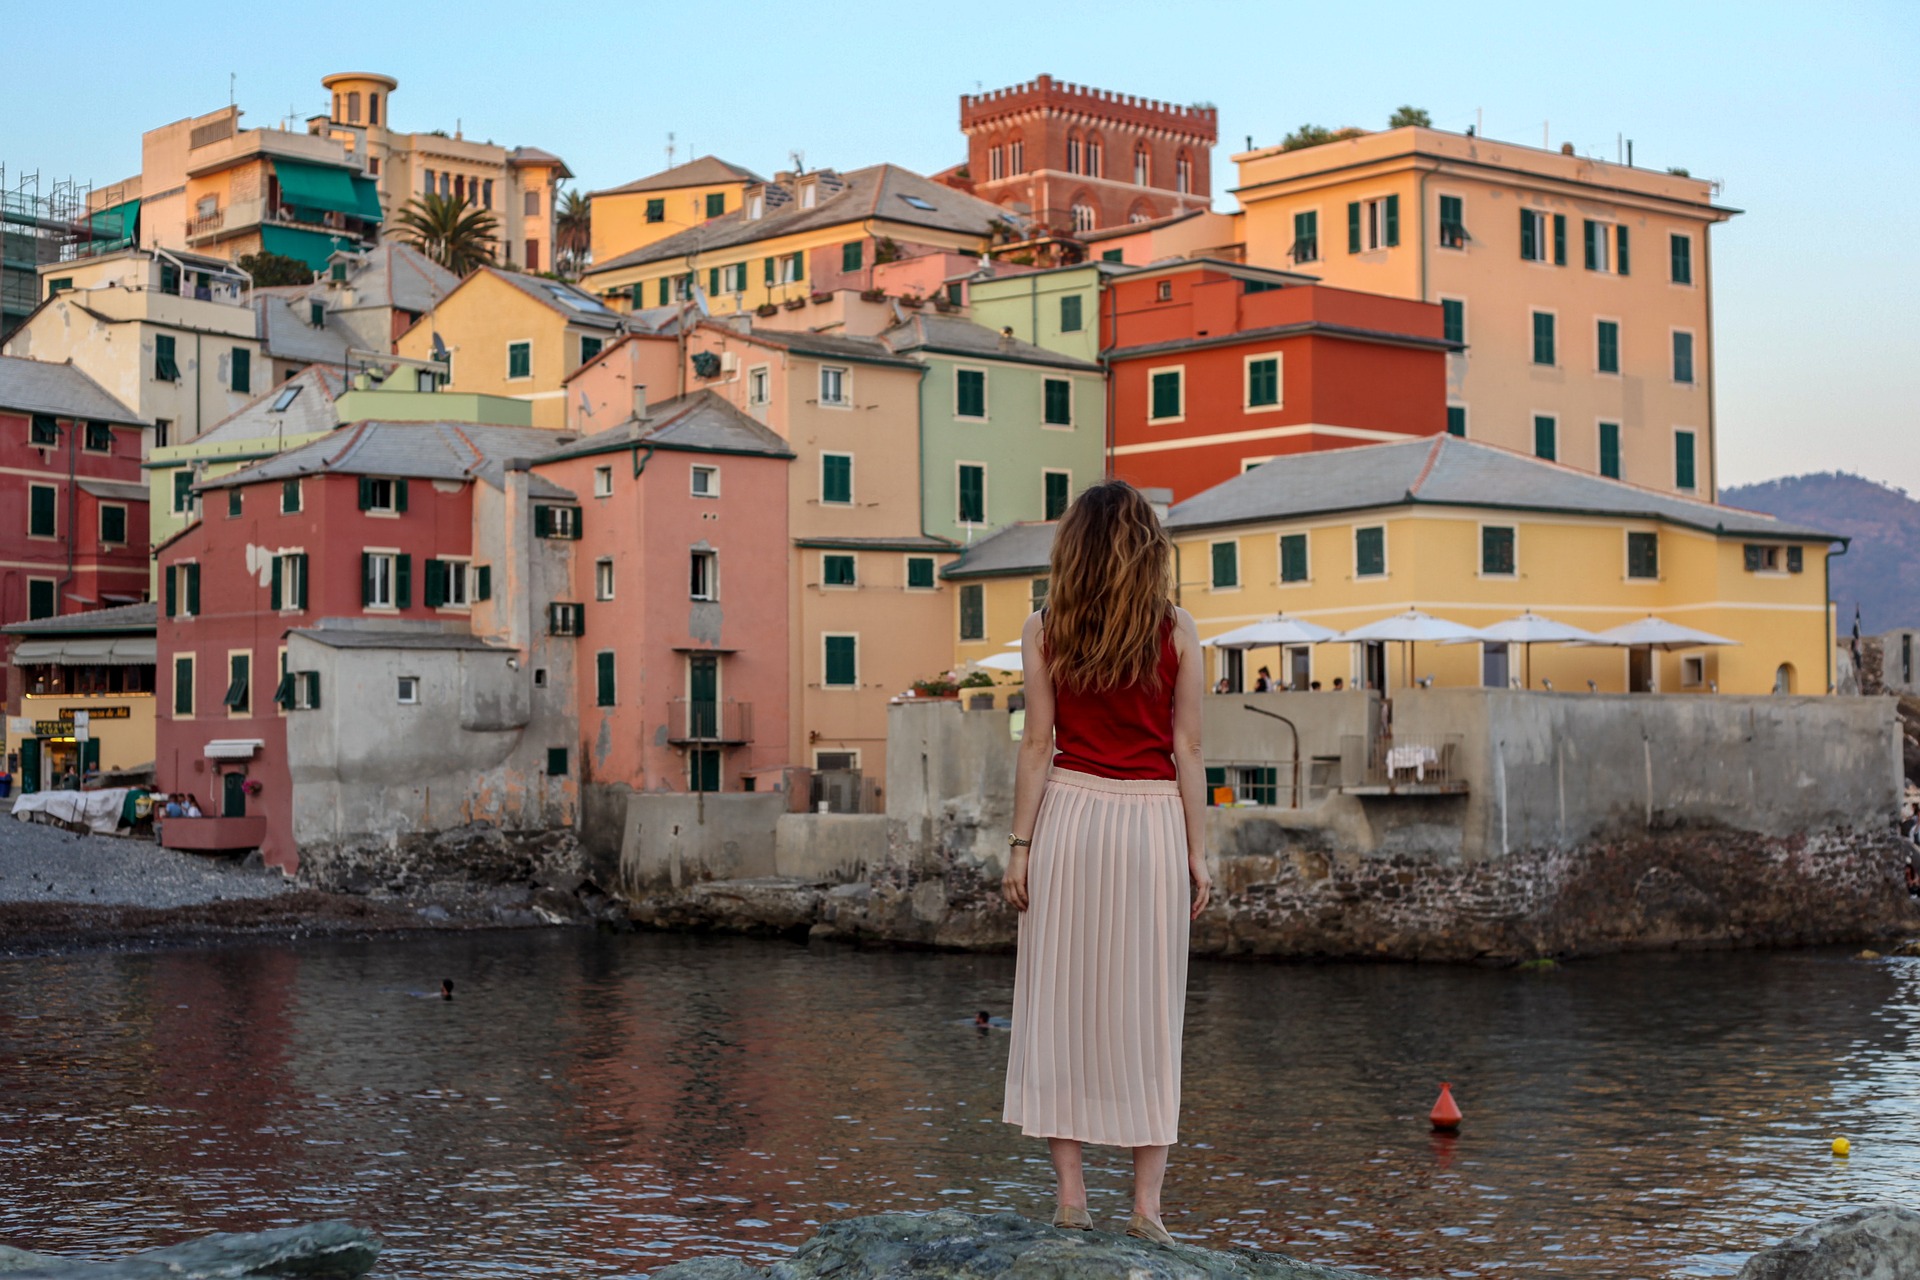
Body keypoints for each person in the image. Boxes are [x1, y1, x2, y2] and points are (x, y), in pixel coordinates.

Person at [1001, 479, 1210, 1246]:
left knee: (1062, 1002)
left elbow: (1036, 745)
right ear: (1147, 548)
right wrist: (1198, 851)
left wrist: (1019, 846)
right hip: (1152, 821)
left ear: (1073, 551)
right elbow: (1187, 747)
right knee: (1148, 1010)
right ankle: (1148, 1210)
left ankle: (1071, 1196)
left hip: (1069, 816)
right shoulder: (1178, 629)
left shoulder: (1045, 626)